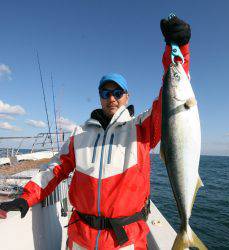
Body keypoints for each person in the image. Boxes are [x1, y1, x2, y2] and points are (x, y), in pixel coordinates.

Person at [0, 16, 191, 249]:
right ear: (100, 96)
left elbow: (173, 97)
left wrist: (179, 47)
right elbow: (55, 169)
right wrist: (25, 198)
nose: (111, 98)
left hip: (125, 242)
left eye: (117, 92)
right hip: (80, 239)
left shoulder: (142, 128)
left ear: (126, 96)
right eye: (105, 92)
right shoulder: (80, 134)